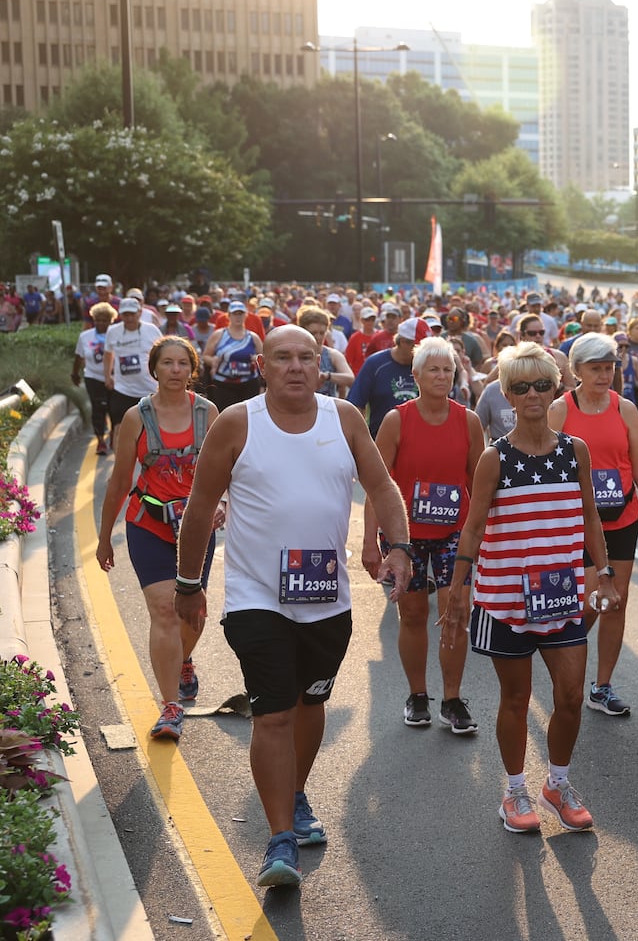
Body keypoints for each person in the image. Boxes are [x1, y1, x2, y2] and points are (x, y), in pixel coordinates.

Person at [172, 326, 414, 889]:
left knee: (310, 704)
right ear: (263, 365)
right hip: (258, 599)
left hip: (327, 599)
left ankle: (296, 793)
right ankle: (280, 838)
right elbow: (202, 504)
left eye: (307, 357)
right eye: (283, 357)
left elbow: (381, 486)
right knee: (274, 712)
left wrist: (397, 546)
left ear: (321, 365)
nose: (297, 367)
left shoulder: (344, 419)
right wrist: (189, 583)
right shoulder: (238, 423)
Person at [444, 342, 620, 835]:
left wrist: (602, 573)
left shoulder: (574, 451)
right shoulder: (494, 459)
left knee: (568, 695)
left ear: (556, 387)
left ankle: (557, 783)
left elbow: (590, 517)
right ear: (507, 394)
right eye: (520, 387)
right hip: (505, 599)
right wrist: (459, 589)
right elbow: (473, 527)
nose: (533, 395)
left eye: (542, 384)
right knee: (516, 699)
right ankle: (515, 790)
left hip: (562, 596)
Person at [96, 337, 223, 741]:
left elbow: (229, 470)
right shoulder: (136, 417)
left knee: (193, 612)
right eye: (166, 363)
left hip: (196, 528)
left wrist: (223, 503)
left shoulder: (209, 413)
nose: (175, 370)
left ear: (192, 369)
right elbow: (119, 482)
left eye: (182, 363)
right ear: (154, 369)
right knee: (164, 610)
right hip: (148, 524)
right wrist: (103, 539)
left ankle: (183, 659)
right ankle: (170, 707)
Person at [361, 336, 485, 734]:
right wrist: (368, 542)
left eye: (448, 369)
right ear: (415, 376)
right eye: (433, 369)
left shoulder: (468, 420)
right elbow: (377, 484)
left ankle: (452, 699)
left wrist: (485, 536)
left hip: (454, 532)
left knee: (455, 612)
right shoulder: (397, 420)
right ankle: (417, 695)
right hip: (405, 535)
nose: (442, 375)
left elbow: (478, 485)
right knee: (412, 613)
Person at [549, 332, 638, 718]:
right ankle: (562, 657)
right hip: (580, 522)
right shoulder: (561, 409)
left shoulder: (625, 408)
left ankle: (601, 686)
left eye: (609, 367)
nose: (604, 375)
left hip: (622, 517)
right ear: (576, 370)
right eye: (595, 368)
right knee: (591, 598)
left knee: (616, 603)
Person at [346, 317, 423, 437]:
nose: (424, 353)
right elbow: (355, 405)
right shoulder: (376, 364)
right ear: (403, 341)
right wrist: (361, 440)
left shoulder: (426, 366)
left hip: (417, 441)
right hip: (380, 443)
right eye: (419, 347)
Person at [104, 297, 164, 429]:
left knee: (150, 429)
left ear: (140, 312)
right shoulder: (113, 331)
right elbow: (108, 354)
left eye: (132, 314)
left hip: (149, 390)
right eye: (126, 314)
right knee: (119, 427)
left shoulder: (152, 330)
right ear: (120, 314)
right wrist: (107, 376)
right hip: (122, 389)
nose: (129, 318)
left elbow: (162, 353)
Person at [73, 302, 117, 454]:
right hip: (93, 377)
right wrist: (75, 373)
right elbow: (79, 356)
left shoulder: (117, 335)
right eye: (98, 319)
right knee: (98, 408)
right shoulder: (85, 336)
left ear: (111, 320)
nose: (101, 323)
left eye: (104, 320)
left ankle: (113, 435)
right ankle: (100, 441)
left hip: (115, 378)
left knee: (114, 409)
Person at [202, 301, 262, 411]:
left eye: (240, 313)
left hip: (248, 384)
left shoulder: (253, 337)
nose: (238, 317)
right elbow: (205, 356)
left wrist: (256, 358)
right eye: (235, 314)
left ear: (246, 315)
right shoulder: (219, 335)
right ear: (229, 315)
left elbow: (264, 359)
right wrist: (213, 361)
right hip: (223, 384)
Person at [296, 306, 356, 400]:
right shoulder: (294, 355)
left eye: (322, 333)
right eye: (313, 333)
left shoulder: (332, 355)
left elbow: (350, 378)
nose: (318, 337)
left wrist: (327, 376)